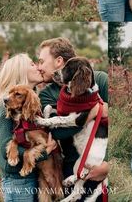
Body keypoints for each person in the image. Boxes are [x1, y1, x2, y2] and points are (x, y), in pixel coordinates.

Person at [37, 37, 108, 200]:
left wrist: (107, 166)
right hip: (72, 170)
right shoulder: (46, 94)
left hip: (103, 165)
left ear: (59, 61)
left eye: (42, 61)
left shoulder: (101, 79)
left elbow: (111, 124)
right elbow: (56, 133)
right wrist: (94, 111)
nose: (39, 67)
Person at [0, 54, 57, 202]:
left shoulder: (31, 104)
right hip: (17, 181)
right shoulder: (5, 106)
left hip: (33, 175)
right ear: (21, 72)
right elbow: (4, 149)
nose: (38, 67)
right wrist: (45, 152)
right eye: (32, 64)